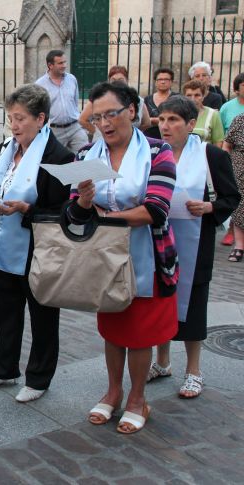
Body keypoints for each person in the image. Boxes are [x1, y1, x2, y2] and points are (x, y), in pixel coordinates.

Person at [67, 82, 179, 434]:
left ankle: (137, 397)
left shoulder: (158, 152)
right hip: (105, 257)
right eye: (97, 117)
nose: (104, 123)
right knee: (113, 329)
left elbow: (156, 210)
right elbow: (73, 212)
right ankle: (113, 392)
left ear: (131, 110)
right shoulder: (86, 155)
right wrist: (85, 201)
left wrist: (103, 215)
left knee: (141, 332)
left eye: (111, 114)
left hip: (149, 256)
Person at [0, 84, 73, 402]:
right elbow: (0, 185)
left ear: (40, 119)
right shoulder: (7, 149)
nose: (14, 125)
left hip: (38, 249)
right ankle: (5, 368)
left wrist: (26, 209)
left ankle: (38, 377)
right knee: (7, 312)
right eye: (10, 117)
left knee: (42, 315)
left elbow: (65, 209)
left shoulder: (59, 156)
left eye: (20, 118)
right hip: (3, 246)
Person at [148, 96, 239, 398]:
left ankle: (194, 370)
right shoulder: (152, 153)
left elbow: (231, 197)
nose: (165, 126)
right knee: (161, 299)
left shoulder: (210, 155)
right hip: (158, 239)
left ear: (190, 124)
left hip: (195, 241)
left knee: (194, 304)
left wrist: (209, 207)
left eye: (173, 120)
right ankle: (162, 363)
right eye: (161, 119)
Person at [35, 49, 89, 153]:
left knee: (85, 155)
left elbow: (74, 101)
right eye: (60, 63)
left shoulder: (72, 79)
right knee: (56, 161)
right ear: (50, 65)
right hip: (55, 131)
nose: (64, 65)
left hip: (75, 127)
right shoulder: (40, 85)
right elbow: (38, 109)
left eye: (64, 62)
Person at [80, 65, 151, 138]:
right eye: (113, 80)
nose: (117, 83)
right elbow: (83, 119)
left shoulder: (138, 100)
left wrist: (133, 133)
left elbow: (147, 123)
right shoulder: (98, 99)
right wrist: (97, 132)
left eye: (120, 80)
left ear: (127, 80)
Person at [223, 113, 244, 262]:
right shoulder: (240, 119)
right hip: (240, 169)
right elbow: (227, 144)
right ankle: (239, 246)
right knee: (240, 207)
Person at [183, 80, 224, 147]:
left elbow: (218, 142)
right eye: (189, 95)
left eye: (197, 95)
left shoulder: (213, 114)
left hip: (206, 155)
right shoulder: (178, 113)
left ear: (203, 96)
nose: (192, 99)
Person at [143, 67, 177, 139]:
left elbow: (177, 118)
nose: (163, 82)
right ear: (155, 82)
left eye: (166, 79)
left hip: (170, 136)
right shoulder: (147, 99)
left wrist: (152, 120)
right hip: (149, 136)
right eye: (160, 79)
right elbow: (143, 120)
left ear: (171, 82)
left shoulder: (177, 98)